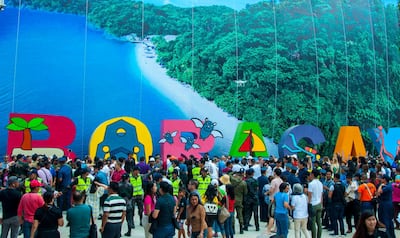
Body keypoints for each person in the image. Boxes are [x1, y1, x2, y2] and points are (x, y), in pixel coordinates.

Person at [307, 169, 323, 238]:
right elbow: (321, 195)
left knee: (313, 222)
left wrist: (308, 203)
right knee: (319, 223)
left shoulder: (311, 184)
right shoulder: (320, 183)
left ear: (313, 174)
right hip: (319, 203)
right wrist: (322, 204)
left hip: (313, 204)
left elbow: (309, 195)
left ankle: (314, 236)